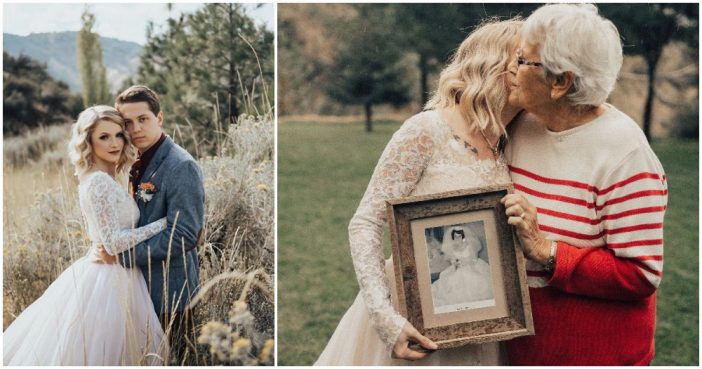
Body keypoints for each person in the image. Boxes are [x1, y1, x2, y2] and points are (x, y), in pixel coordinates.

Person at [315, 18, 523, 365]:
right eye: (521, 60)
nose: (532, 71)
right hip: (415, 317)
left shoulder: (509, 136)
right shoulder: (426, 130)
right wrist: (386, 319)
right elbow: (365, 222)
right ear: (492, 63)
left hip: (484, 318)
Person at [501, 4, 668, 365]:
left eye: (522, 60)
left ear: (560, 82)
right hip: (520, 351)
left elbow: (641, 274)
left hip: (593, 355)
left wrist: (547, 251)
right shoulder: (522, 123)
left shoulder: (625, 156)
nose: (509, 68)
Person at [3, 106, 166, 365]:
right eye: (103, 137)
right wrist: (164, 224)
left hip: (122, 273)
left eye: (118, 135)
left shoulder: (106, 176)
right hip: (108, 279)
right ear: (88, 141)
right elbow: (113, 243)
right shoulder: (98, 182)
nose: (114, 143)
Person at [95, 85, 205, 364]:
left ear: (160, 118)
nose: (135, 129)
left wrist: (123, 256)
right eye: (127, 123)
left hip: (171, 290)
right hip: (138, 288)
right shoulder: (132, 160)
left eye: (143, 119)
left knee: (175, 358)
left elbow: (183, 234)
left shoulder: (181, 166)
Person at [431, 225, 493, 309]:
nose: (458, 238)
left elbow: (474, 259)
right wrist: (456, 264)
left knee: (475, 278)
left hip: (470, 267)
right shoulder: (453, 248)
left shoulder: (469, 246)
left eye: (459, 236)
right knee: (450, 280)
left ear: (463, 236)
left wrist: (466, 261)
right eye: (455, 237)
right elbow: (453, 261)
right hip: (458, 269)